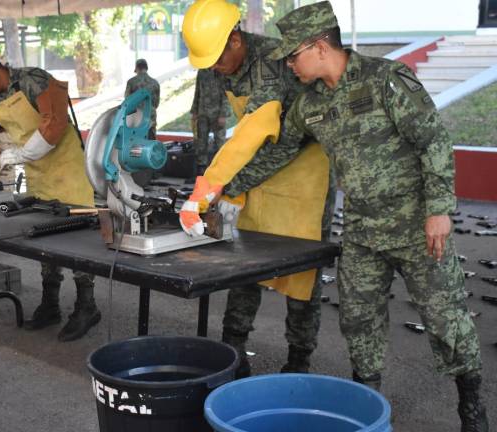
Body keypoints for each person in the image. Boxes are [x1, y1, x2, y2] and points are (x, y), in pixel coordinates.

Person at [271, 2, 487, 430]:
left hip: (417, 227)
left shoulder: (385, 79)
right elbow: (278, 151)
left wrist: (440, 209)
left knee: (445, 319)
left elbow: (434, 141)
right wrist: (219, 185)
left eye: (293, 55)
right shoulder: (308, 105)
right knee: (359, 321)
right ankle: (367, 409)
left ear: (318, 47)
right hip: (362, 232)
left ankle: (472, 408)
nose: (289, 64)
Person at [179, 0, 334, 378]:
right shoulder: (217, 63)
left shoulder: (271, 62)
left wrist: (209, 190)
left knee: (302, 269)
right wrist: (209, 178)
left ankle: (299, 359)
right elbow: (209, 120)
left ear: (236, 40)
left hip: (302, 171)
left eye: (218, 59)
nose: (215, 68)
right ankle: (233, 350)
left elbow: (255, 133)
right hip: (254, 165)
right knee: (243, 262)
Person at [0, 45, 100, 342]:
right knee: (45, 238)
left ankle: (87, 305)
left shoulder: (35, 80)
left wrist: (22, 154)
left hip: (68, 168)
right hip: (40, 174)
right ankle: (50, 304)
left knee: (77, 242)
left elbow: (55, 124)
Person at [190, 68, 229, 169]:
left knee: (220, 143)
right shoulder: (201, 71)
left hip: (217, 113)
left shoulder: (221, 70)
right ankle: (201, 169)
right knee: (201, 143)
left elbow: (226, 94)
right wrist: (194, 110)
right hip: (203, 112)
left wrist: (223, 114)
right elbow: (197, 91)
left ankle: (220, 168)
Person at [124, 59, 160, 139]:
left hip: (136, 118)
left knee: (136, 143)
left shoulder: (131, 82)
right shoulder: (155, 83)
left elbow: (127, 101)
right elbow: (156, 103)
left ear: (136, 68)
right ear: (146, 68)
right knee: (151, 141)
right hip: (151, 118)